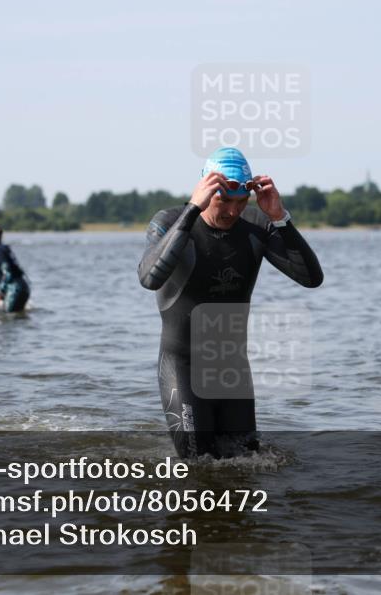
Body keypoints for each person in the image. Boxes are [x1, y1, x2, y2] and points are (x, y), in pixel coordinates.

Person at [138, 147, 323, 459]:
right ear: (204, 189)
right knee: (199, 465)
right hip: (183, 366)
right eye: (224, 199)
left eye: (241, 201)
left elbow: (311, 278)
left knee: (246, 463)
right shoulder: (169, 221)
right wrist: (191, 211)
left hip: (233, 370)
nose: (234, 211)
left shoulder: (257, 225)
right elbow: (149, 278)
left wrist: (279, 218)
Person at [0, 226, 30, 312]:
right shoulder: (4, 249)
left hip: (15, 290)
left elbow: (8, 273)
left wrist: (0, 294)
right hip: (23, 287)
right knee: (17, 319)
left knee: (9, 320)